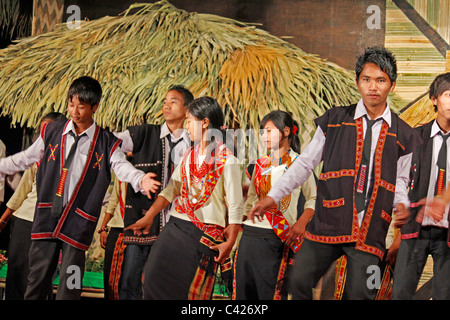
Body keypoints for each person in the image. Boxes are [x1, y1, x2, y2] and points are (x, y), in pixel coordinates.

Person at [249, 46, 422, 300]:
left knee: (360, 295)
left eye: (381, 80)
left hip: (371, 229)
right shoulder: (334, 120)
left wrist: (402, 205)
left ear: (392, 85)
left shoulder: (405, 135)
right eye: (366, 79)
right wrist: (274, 196)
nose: (373, 87)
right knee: (298, 279)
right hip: (327, 222)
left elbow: (400, 181)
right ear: (357, 82)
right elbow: (305, 164)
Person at [0, 76, 156, 300]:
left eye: (81, 106)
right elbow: (25, 159)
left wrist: (141, 180)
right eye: (71, 104)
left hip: (77, 226)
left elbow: (122, 168)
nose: (74, 111)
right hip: (46, 220)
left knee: (71, 285)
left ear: (95, 107)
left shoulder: (105, 141)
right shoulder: (52, 132)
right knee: (36, 282)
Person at [126, 96, 244, 299]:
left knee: (190, 293)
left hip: (203, 234)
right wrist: (150, 216)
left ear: (205, 122)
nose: (187, 126)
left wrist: (230, 242)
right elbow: (171, 190)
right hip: (176, 226)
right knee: (152, 279)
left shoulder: (228, 160)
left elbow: (235, 205)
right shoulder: (188, 155)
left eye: (190, 120)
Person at [113, 85, 193, 299]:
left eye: (174, 100)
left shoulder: (195, 142)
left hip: (180, 225)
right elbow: (109, 146)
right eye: (165, 100)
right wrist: (136, 177)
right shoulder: (144, 133)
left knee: (170, 287)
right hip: (143, 221)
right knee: (130, 283)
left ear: (187, 109)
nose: (166, 104)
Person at [233, 110, 316, 300]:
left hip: (277, 237)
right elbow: (252, 200)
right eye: (263, 132)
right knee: (244, 294)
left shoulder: (300, 164)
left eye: (269, 131)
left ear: (286, 131)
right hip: (249, 237)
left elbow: (313, 198)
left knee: (270, 293)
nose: (264, 136)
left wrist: (301, 223)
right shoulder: (259, 165)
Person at [391, 72, 450, 300]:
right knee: (402, 292)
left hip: (447, 233)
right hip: (415, 229)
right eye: (448, 94)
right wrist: (402, 204)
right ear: (434, 99)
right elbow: (400, 179)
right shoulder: (415, 137)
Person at [0, 112, 66, 300]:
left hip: (50, 224)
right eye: (41, 130)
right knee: (16, 271)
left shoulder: (72, 159)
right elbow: (22, 191)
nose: (42, 134)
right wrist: (4, 218)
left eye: (48, 129)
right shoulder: (37, 157)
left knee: (40, 276)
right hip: (25, 220)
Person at [98, 174, 127, 300]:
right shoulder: (121, 169)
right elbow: (114, 199)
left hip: (136, 230)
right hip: (117, 228)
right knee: (110, 278)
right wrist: (103, 228)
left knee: (128, 281)